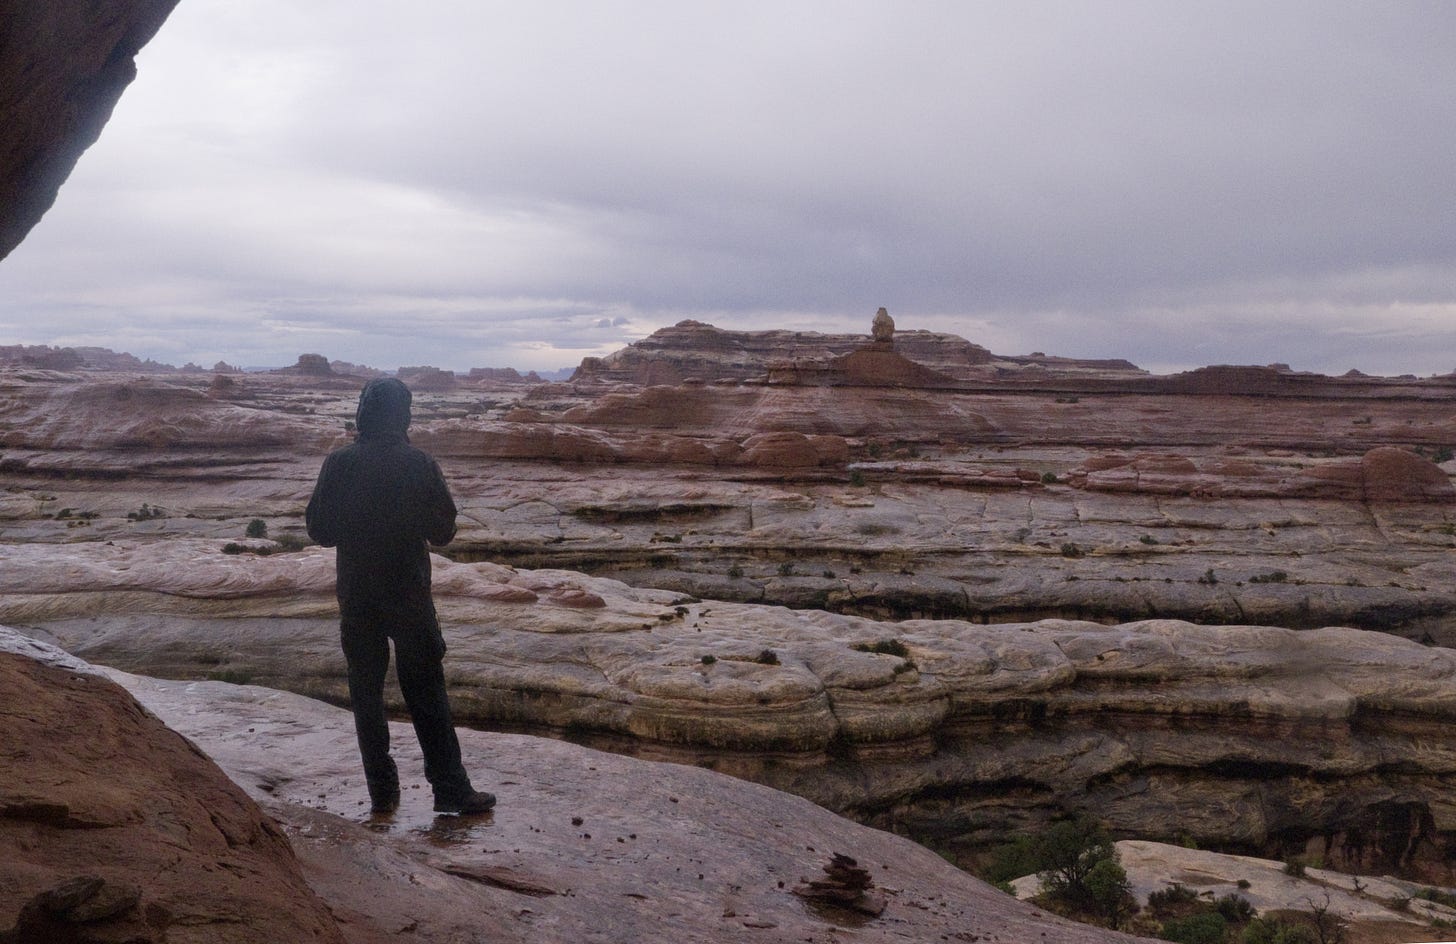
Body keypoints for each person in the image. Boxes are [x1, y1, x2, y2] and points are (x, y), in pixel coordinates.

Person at [305, 377, 495, 815]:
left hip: (357, 595)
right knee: (427, 690)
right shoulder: (418, 464)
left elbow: (319, 529)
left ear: (363, 413)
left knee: (366, 693)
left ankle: (382, 792)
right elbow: (443, 531)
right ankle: (450, 790)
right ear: (403, 415)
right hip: (408, 593)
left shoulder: (340, 463)